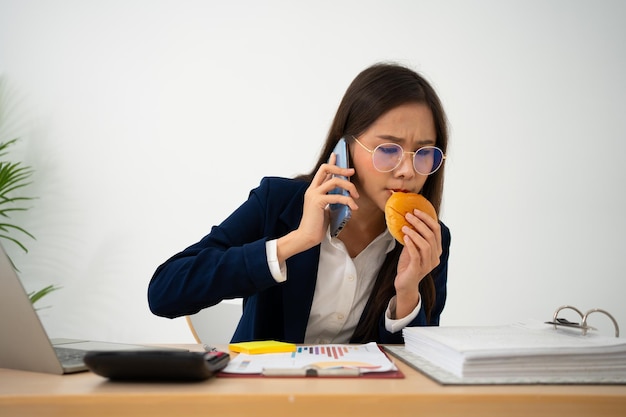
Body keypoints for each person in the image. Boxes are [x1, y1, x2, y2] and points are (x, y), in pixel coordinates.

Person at [148, 62, 451, 344]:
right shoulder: (278, 202)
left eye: (425, 153)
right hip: (266, 394)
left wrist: (407, 293)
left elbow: (418, 372)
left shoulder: (428, 238)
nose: (408, 171)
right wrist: (294, 242)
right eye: (388, 148)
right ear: (346, 146)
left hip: (355, 401)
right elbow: (164, 292)